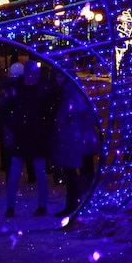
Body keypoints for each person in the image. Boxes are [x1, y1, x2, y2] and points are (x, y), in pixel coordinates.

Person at [3, 60, 56, 217]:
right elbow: (6, 111)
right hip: (23, 136)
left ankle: (41, 205)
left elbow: (47, 113)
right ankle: (11, 206)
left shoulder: (39, 90)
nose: (35, 76)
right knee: (15, 173)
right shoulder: (19, 90)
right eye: (34, 73)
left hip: (36, 137)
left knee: (39, 172)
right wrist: (13, 127)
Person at [50, 71, 99, 217]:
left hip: (74, 137)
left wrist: (59, 118)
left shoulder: (70, 90)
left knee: (72, 172)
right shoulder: (76, 88)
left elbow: (70, 111)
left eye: (59, 76)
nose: (57, 79)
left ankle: (75, 204)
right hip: (80, 136)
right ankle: (80, 203)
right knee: (82, 171)